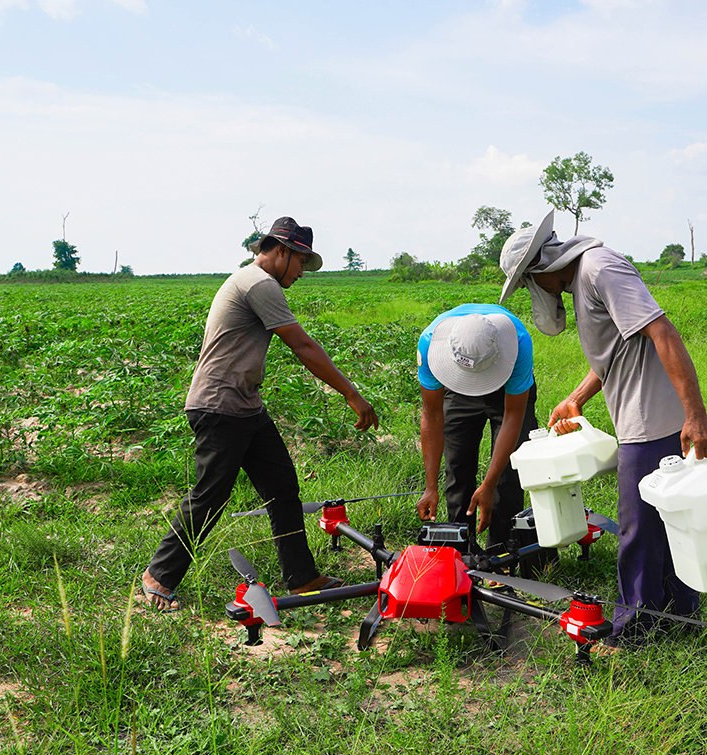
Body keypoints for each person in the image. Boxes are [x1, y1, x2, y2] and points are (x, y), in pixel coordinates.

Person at [498, 210, 707, 645]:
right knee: (664, 520)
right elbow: (614, 354)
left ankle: (634, 630)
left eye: (527, 284)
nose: (533, 293)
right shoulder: (583, 280)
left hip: (653, 421)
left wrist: (695, 415)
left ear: (540, 270)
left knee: (638, 526)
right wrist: (576, 398)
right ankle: (679, 614)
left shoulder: (600, 268)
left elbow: (663, 332)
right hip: (637, 419)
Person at [141, 217, 378, 611]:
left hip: (244, 405)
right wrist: (352, 395)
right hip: (220, 405)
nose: (302, 272)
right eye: (301, 261)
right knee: (211, 495)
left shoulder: (254, 281)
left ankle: (301, 578)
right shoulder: (259, 283)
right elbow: (302, 346)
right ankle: (159, 576)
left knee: (282, 486)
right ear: (281, 251)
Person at [415, 304, 553, 574]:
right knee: (457, 465)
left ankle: (500, 556)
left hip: (506, 390)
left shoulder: (519, 343)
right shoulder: (430, 344)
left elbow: (513, 416)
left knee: (509, 474)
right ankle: (460, 555)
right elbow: (431, 415)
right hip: (456, 386)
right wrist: (430, 486)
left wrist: (488, 484)